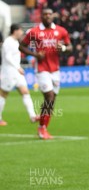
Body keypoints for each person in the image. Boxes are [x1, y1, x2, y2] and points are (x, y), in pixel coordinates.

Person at [20, 8, 72, 139]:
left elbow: (69, 46)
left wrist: (64, 48)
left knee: (52, 100)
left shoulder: (61, 31)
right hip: (42, 69)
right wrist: (35, 54)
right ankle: (42, 129)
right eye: (45, 15)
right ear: (41, 17)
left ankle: (43, 126)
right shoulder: (35, 32)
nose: (48, 16)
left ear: (53, 16)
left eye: (50, 14)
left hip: (56, 70)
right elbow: (21, 46)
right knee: (48, 97)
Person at [0, 24, 38, 125]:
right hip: (8, 72)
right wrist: (18, 67)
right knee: (3, 94)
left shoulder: (15, 42)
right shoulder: (8, 42)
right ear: (15, 31)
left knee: (25, 92)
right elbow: (8, 57)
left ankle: (32, 116)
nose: (22, 32)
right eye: (20, 30)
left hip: (17, 73)